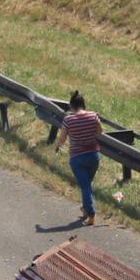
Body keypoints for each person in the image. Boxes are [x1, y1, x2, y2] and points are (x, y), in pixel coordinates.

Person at [54, 91, 104, 226]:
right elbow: (99, 132)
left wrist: (57, 146)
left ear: (72, 106)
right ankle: (85, 209)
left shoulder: (68, 120)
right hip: (94, 156)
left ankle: (91, 214)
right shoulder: (93, 116)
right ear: (83, 104)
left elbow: (62, 139)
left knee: (85, 186)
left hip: (77, 158)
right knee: (86, 185)